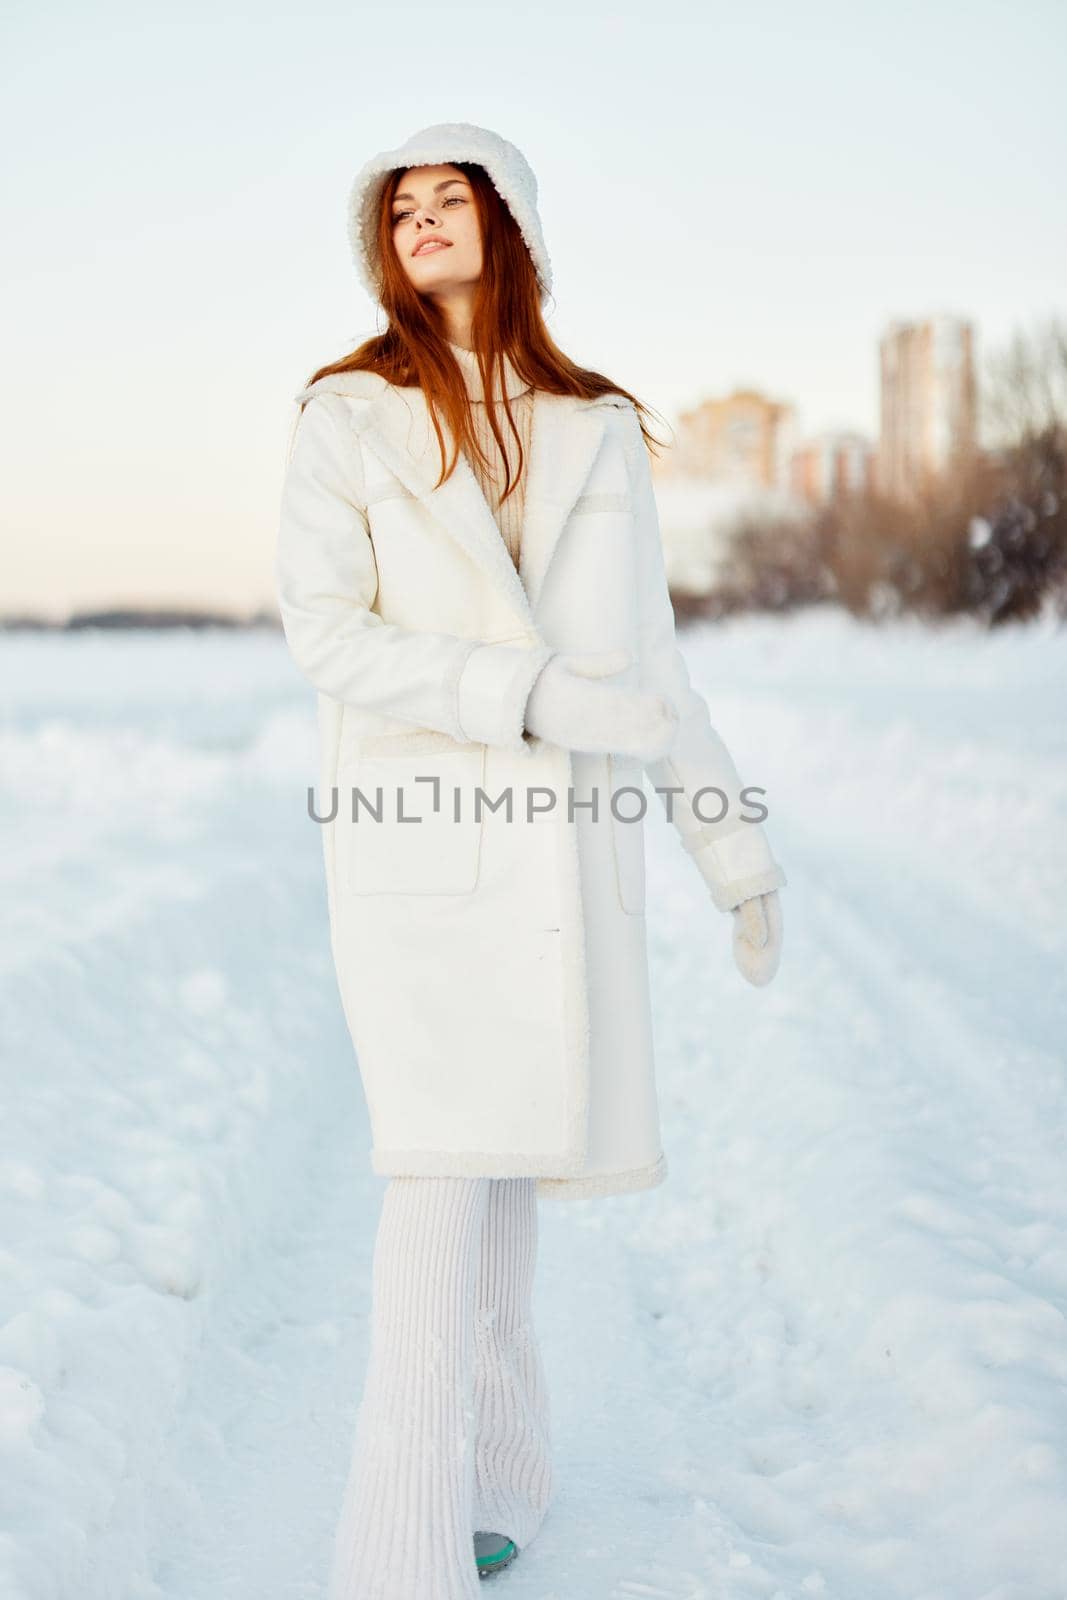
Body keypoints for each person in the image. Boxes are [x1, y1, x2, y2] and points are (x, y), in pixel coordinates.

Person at [276, 122, 786, 1599]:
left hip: (565, 865)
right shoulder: (344, 415)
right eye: (403, 207)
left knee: (500, 1191)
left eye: (453, 198)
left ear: (509, 225)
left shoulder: (599, 427)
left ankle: (508, 1474)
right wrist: (528, 697)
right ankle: (394, 1556)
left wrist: (731, 849)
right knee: (438, 1188)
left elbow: (658, 671)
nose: (425, 222)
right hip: (423, 864)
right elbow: (329, 634)